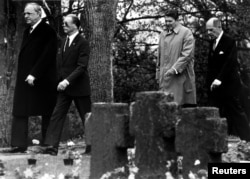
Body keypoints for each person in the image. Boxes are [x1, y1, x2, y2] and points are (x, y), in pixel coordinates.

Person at [8, 2, 58, 153]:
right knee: (20, 109)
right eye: (24, 13)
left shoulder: (48, 31)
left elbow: (47, 55)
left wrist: (34, 74)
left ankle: (49, 145)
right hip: (25, 78)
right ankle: (19, 144)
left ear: (39, 14)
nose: (26, 16)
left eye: (29, 13)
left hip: (43, 78)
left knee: (47, 110)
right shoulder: (26, 31)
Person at [43, 14, 92, 156]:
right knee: (56, 115)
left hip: (79, 87)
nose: (63, 25)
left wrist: (66, 81)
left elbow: (81, 67)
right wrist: (59, 81)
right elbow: (62, 65)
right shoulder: (64, 41)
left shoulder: (83, 42)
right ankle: (52, 147)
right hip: (64, 88)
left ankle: (92, 147)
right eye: (63, 23)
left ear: (75, 26)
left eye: (66, 23)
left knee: (86, 117)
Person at [206, 17, 250, 141]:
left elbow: (230, 63)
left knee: (236, 111)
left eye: (211, 30)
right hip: (215, 86)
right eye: (207, 30)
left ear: (219, 27)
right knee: (213, 111)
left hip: (229, 84)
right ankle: (213, 139)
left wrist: (219, 79)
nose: (208, 33)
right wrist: (209, 82)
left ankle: (247, 138)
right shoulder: (212, 43)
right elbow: (211, 66)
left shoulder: (230, 41)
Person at [156, 10, 196, 107]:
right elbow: (159, 57)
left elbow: (187, 55)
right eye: (166, 21)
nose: (167, 23)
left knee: (181, 108)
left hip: (180, 78)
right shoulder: (162, 34)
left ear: (177, 20)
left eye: (170, 21)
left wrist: (174, 69)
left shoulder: (186, 32)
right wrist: (158, 75)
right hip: (164, 79)